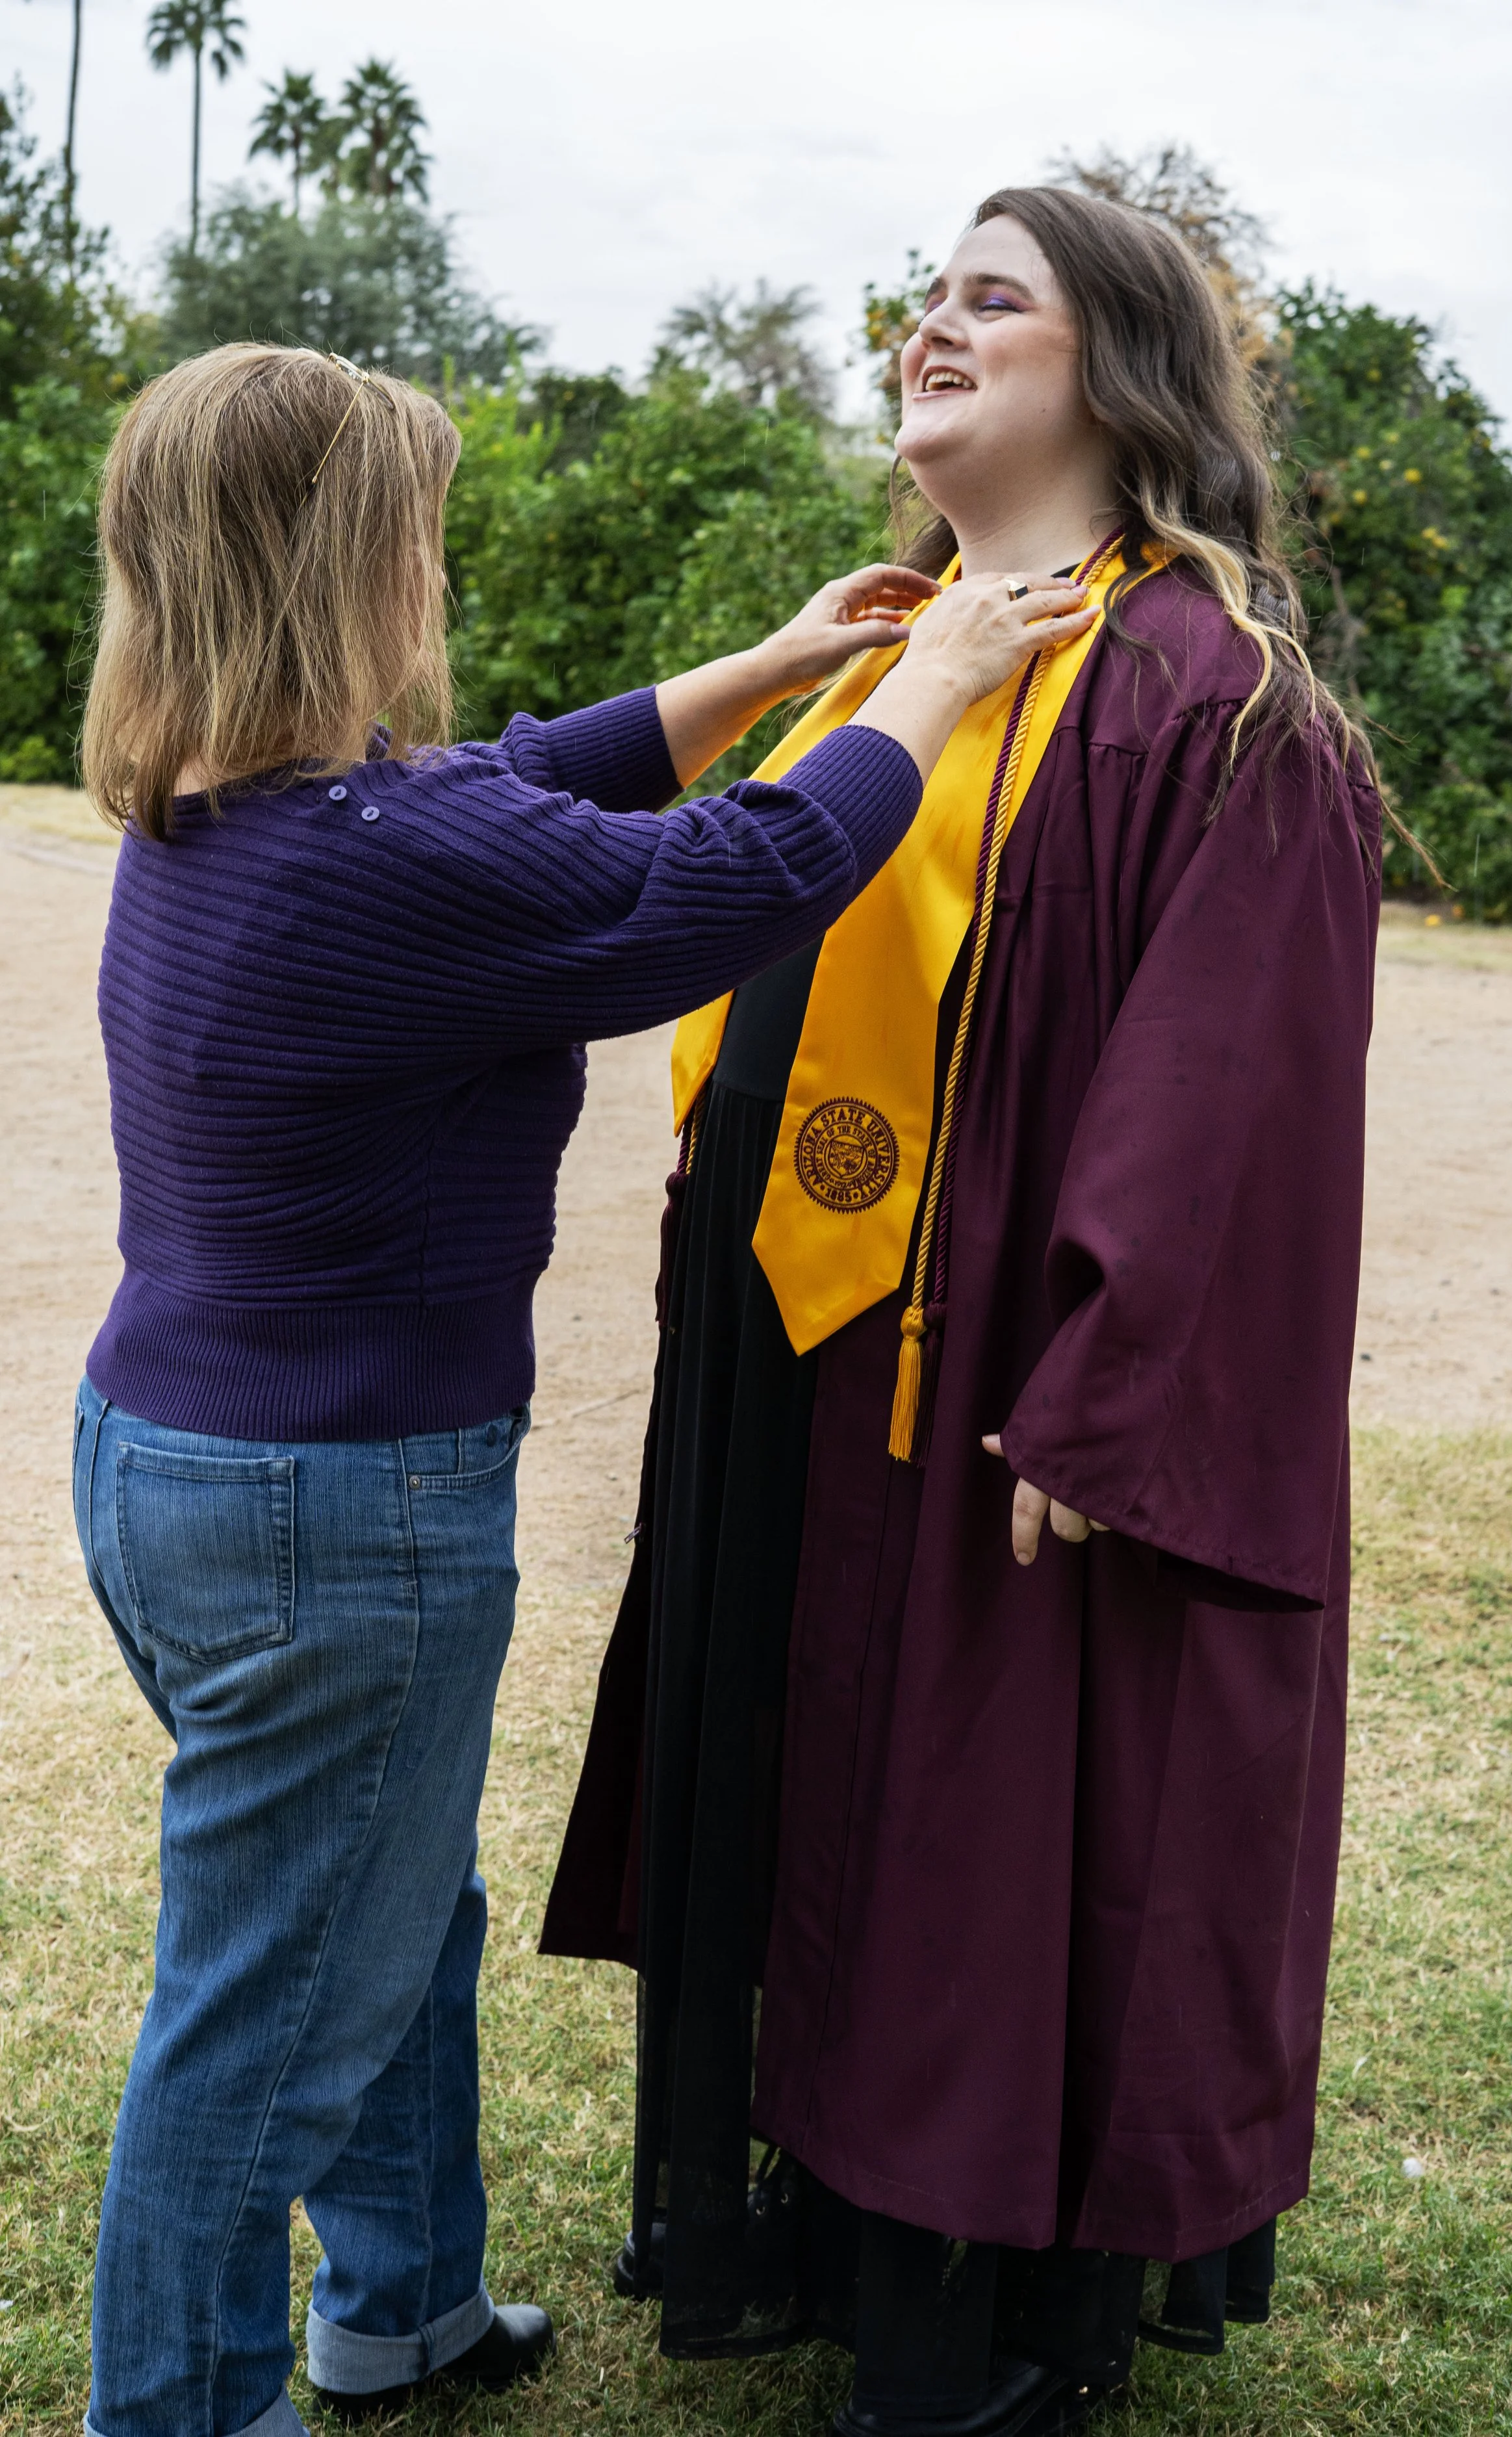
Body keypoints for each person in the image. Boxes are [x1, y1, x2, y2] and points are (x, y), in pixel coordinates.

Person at [69, 339, 1094, 2437]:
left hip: (180, 1463)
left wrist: (773, 661)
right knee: (269, 2005)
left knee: (380, 1904)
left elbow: (522, 780)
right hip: (333, 1511)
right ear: (345, 565)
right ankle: (172, 2409)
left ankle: (405, 2303)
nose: (431, 568)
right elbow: (739, 881)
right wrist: (938, 676)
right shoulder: (372, 862)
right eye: (414, 532)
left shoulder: (232, 813)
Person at [543, 185, 1387, 2435]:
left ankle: (984, 2317)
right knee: (837, 1799)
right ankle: (823, 2215)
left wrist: (1115, 1390)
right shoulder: (898, 645)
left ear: (1115, 371)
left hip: (998, 1377)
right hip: (816, 1348)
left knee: (981, 1828)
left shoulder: (1216, 697)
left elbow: (1237, 1096)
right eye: (922, 293)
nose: (926, 323)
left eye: (985, 296)